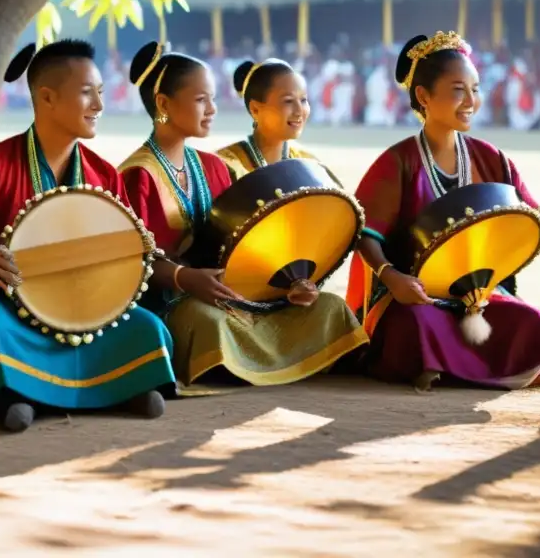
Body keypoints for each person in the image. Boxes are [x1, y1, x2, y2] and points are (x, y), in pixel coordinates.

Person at [0, 39, 176, 433]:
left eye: (101, 93)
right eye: (87, 93)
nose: (99, 105)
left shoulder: (103, 175)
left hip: (88, 310)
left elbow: (127, 244)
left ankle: (113, 388)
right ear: (47, 97)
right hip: (14, 309)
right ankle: (18, 398)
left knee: (145, 326)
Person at [346, 32, 540, 390]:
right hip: (416, 295)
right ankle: (452, 362)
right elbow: (366, 234)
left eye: (475, 89)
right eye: (459, 89)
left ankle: (459, 364)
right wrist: (394, 278)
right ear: (424, 96)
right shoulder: (398, 161)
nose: (471, 100)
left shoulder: (491, 158)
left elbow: (527, 215)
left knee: (533, 321)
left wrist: (528, 232)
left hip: (478, 295)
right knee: (417, 325)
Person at [119, 45, 366, 387]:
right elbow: (131, 261)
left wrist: (287, 287)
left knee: (329, 308)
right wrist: (184, 279)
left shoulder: (212, 167)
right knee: (209, 322)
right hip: (173, 300)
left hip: (231, 292)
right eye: (201, 99)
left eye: (213, 98)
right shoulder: (136, 175)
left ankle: (259, 362)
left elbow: (234, 241)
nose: (213, 109)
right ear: (163, 104)